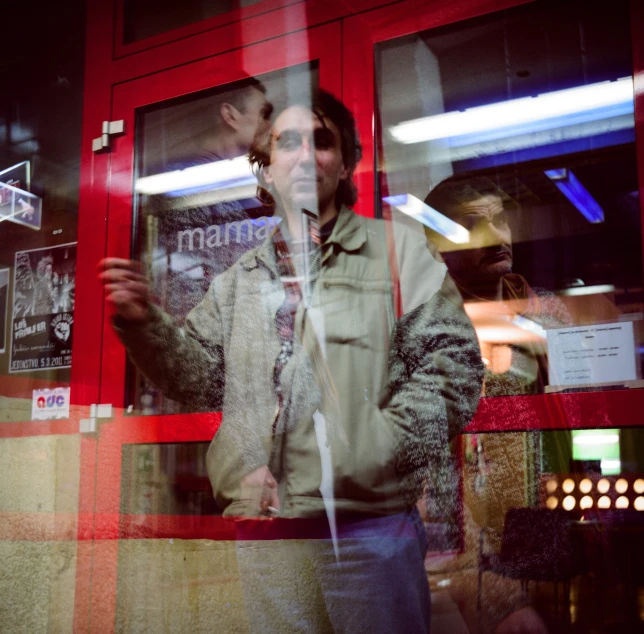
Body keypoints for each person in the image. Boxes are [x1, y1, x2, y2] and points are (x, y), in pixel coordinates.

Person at [99, 90, 483, 633]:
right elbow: (201, 379)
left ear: (346, 162)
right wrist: (143, 323)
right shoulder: (239, 280)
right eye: (288, 143)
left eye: (322, 141)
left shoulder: (398, 252)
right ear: (267, 168)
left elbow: (455, 370)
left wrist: (371, 453)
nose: (305, 155)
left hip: (367, 532)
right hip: (268, 531)